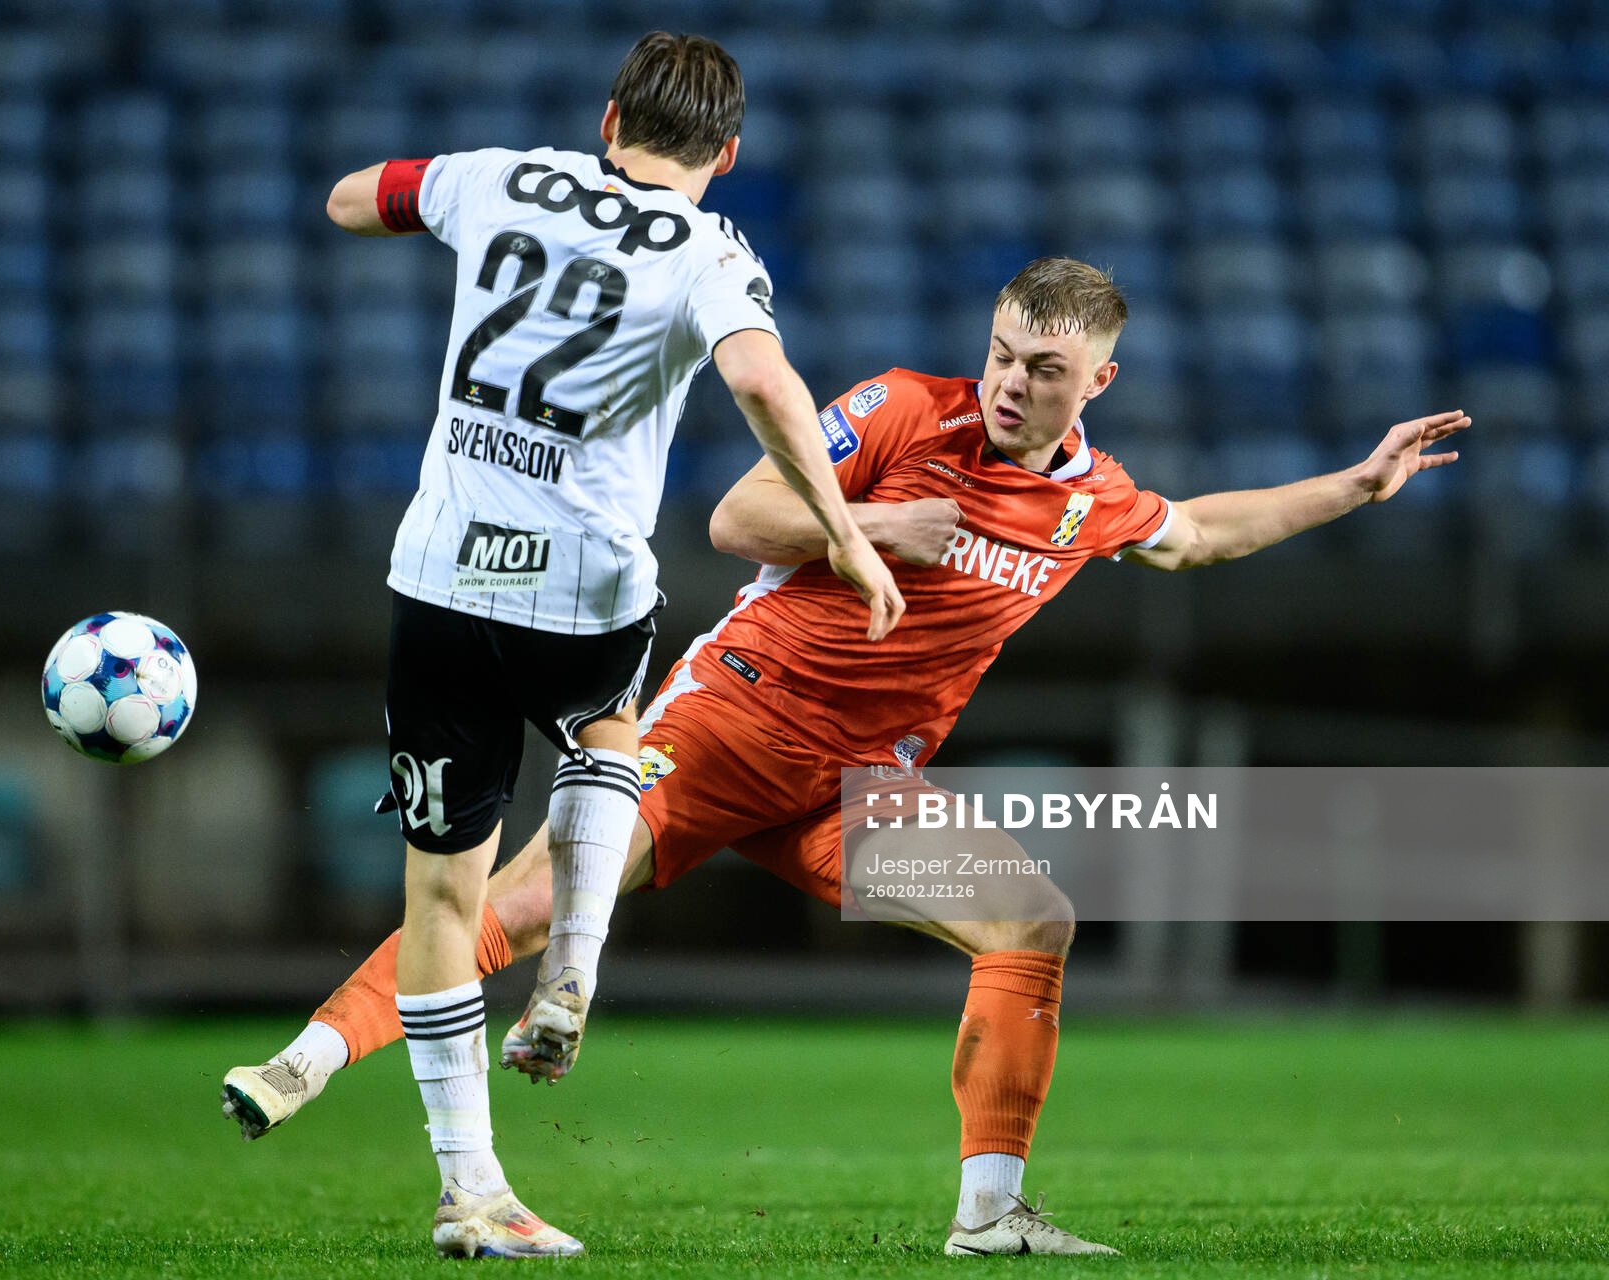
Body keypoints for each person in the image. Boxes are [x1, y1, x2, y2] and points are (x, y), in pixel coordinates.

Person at [224, 256, 1468, 1256]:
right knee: (528, 905)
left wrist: (1356, 486)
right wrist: (875, 522)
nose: (1011, 384)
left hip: (857, 787)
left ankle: (989, 1215)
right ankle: (306, 1057)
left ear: (1098, 379)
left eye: (1045, 369)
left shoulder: (1090, 502)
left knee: (1031, 917)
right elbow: (734, 518)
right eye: (1002, 354)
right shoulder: (897, 409)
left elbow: (1198, 533)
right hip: (728, 723)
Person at [219, 31, 904, 1260]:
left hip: (435, 576)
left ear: (608, 118)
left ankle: (468, 1187)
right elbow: (762, 379)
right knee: (609, 736)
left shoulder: (495, 175)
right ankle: (574, 967)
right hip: (578, 585)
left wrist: (426, 213)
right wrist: (846, 535)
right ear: (727, 153)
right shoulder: (709, 248)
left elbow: (349, 197)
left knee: (441, 890)